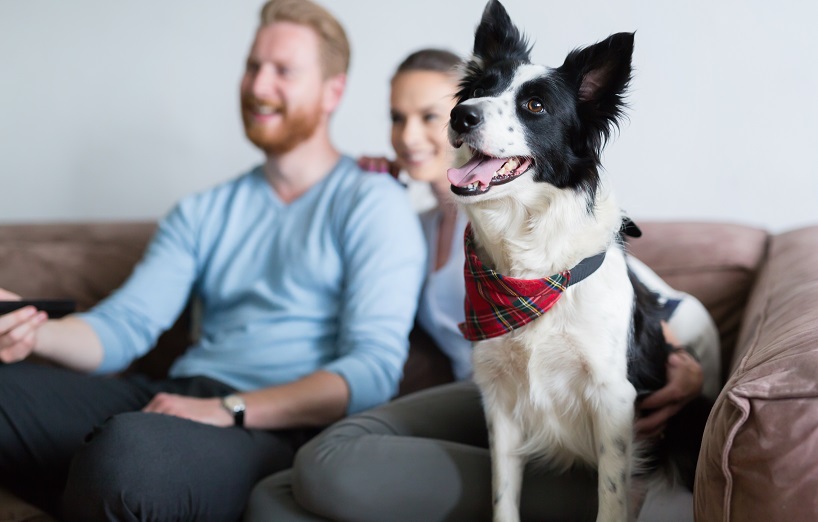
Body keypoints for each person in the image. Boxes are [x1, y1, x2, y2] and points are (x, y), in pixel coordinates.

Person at [243, 49, 721, 521]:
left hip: (573, 417)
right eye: (397, 118)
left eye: (431, 115)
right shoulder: (412, 223)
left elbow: (633, 302)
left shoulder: (539, 223)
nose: (410, 136)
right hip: (496, 401)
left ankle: (628, 502)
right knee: (272, 495)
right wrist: (362, 180)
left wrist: (683, 361)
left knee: (326, 468)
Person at [0, 1, 426, 520]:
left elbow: (371, 371)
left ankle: (80, 478)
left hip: (276, 425)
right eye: (253, 66)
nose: (258, 85)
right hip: (177, 398)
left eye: (284, 71)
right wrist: (29, 328)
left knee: (130, 457)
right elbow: (123, 327)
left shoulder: (372, 202)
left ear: (332, 91)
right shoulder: (203, 210)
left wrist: (230, 409)